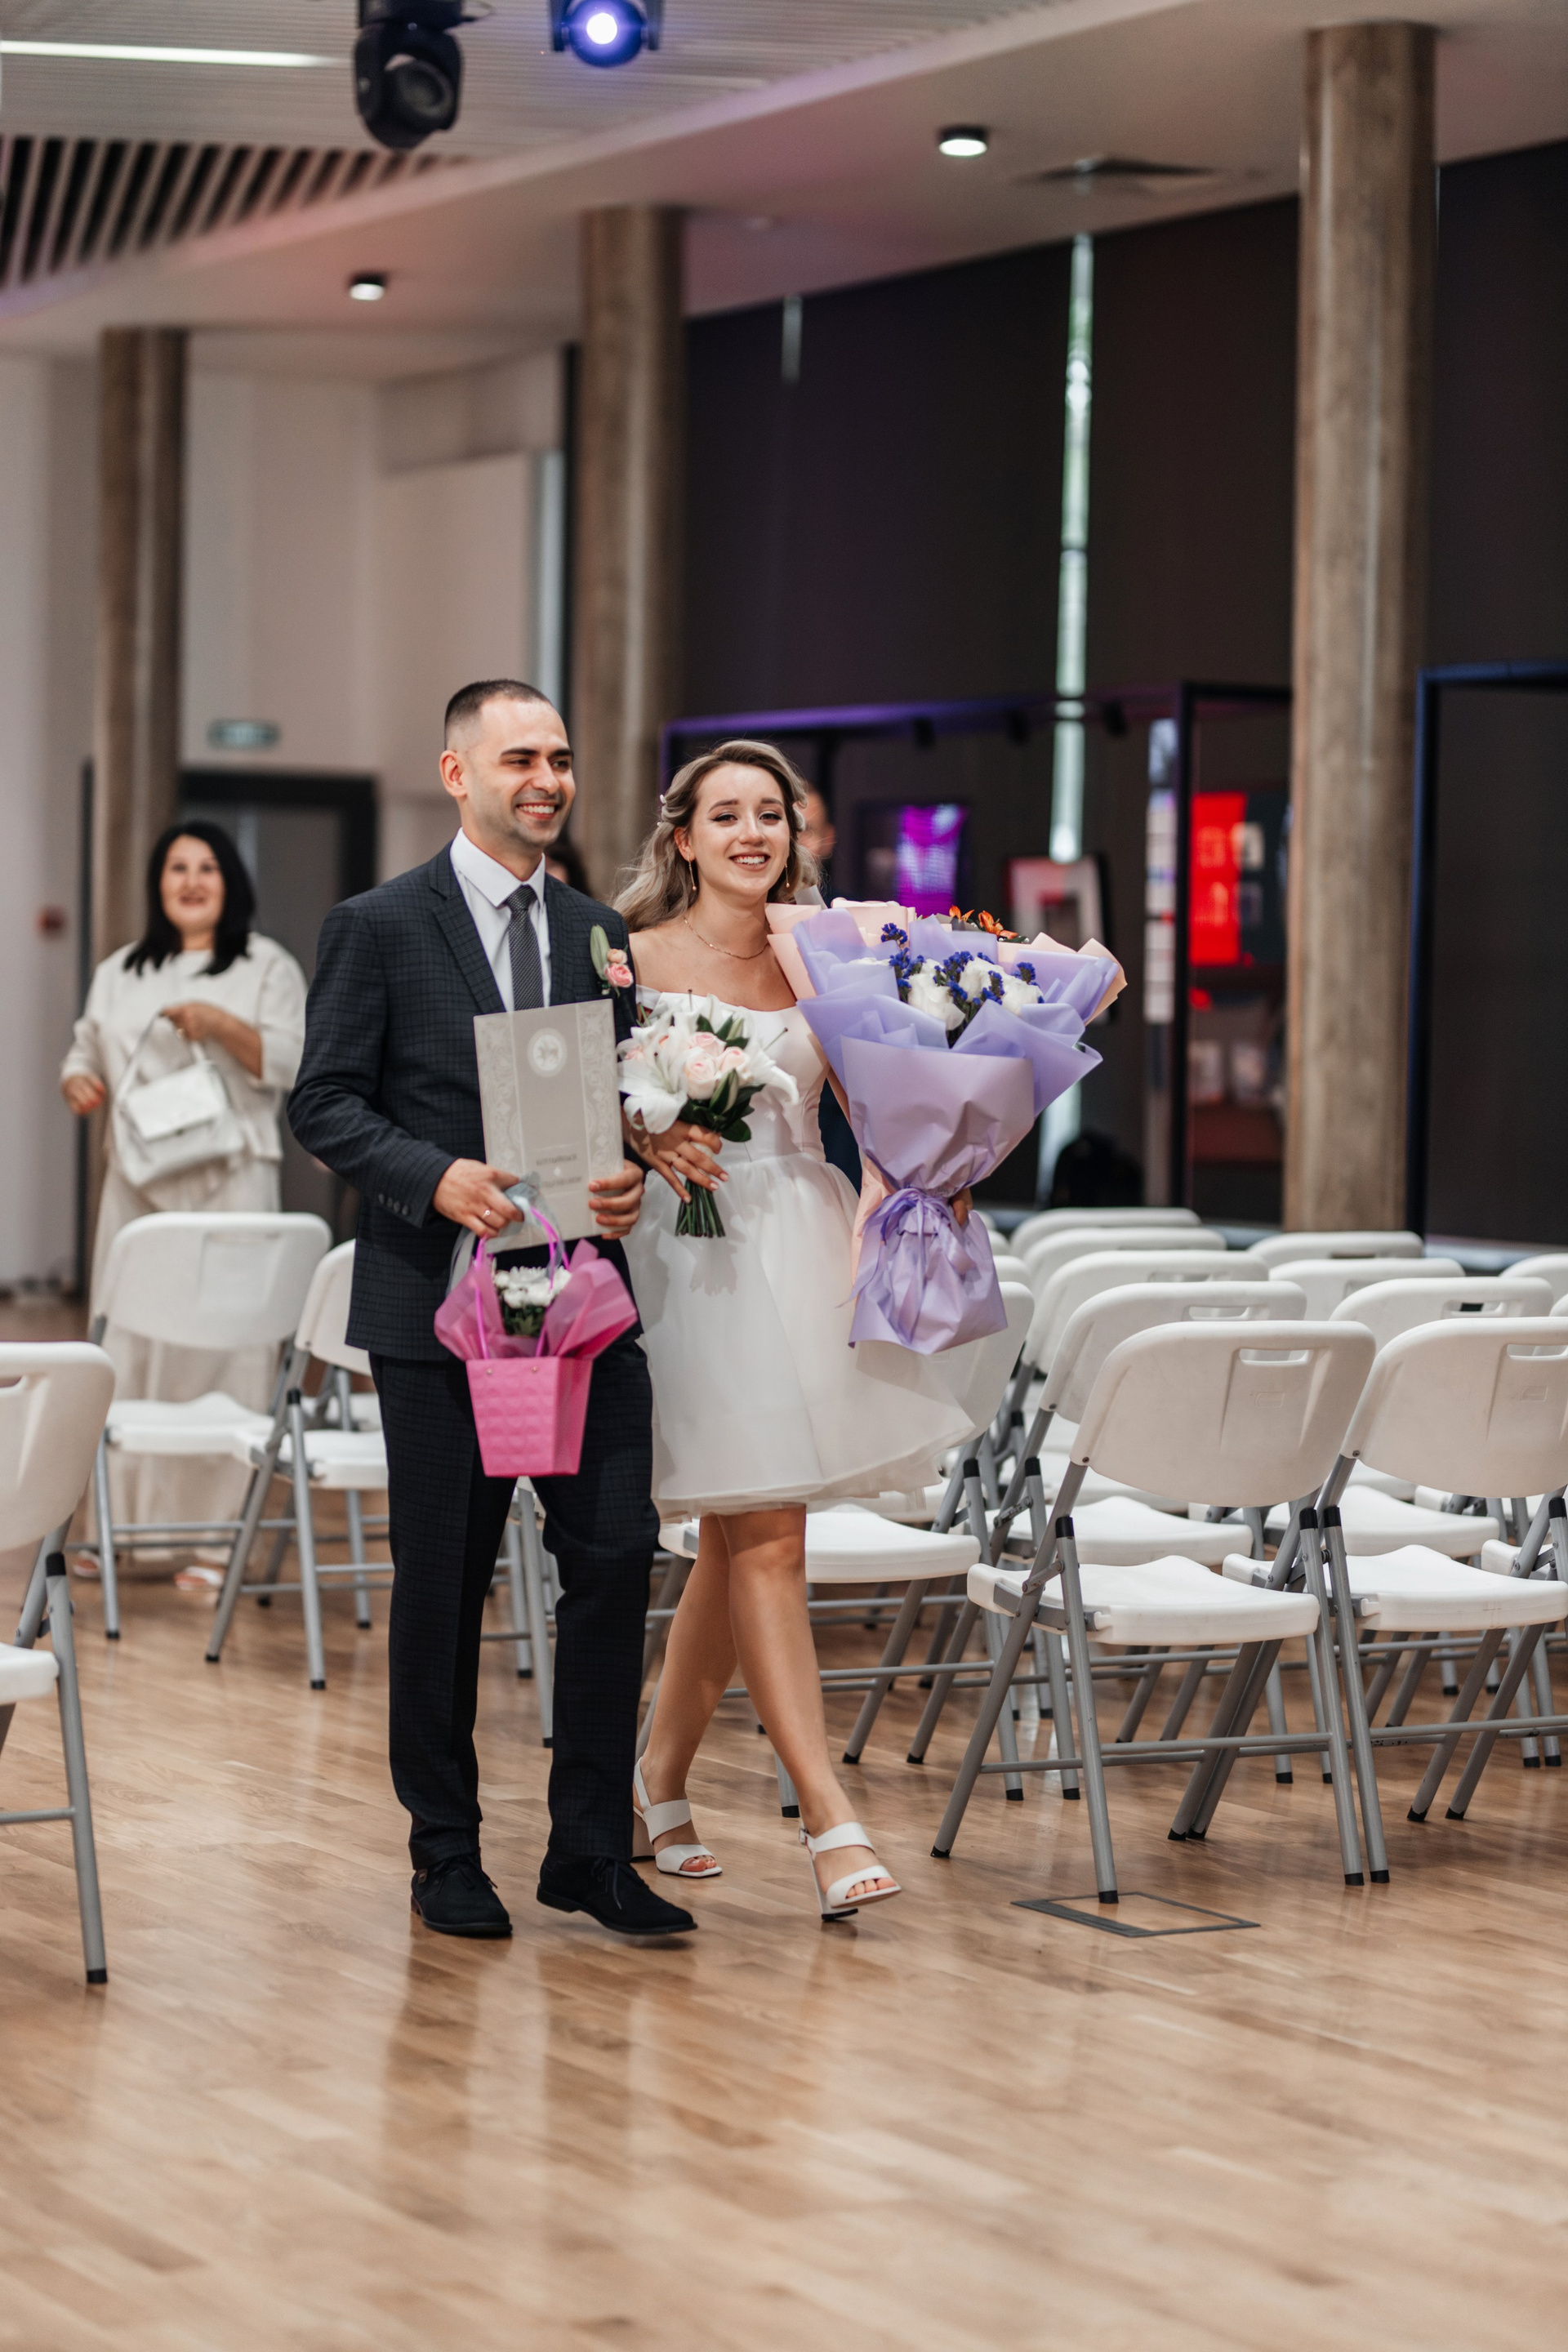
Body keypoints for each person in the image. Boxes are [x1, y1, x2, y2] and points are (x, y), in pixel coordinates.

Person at [287, 679, 694, 1944]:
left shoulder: (596, 931)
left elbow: (617, 1102)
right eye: (521, 757)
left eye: (560, 757)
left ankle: (589, 1851)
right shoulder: (377, 925)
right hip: (439, 1301)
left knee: (617, 1554)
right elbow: (323, 1101)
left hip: (581, 1297)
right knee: (446, 1578)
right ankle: (446, 1852)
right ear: (457, 773)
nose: (548, 778)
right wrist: (434, 1177)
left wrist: (628, 1175)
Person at [618, 739, 973, 1922]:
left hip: (800, 1247)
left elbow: (891, 1108)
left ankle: (657, 1781)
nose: (751, 834)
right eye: (726, 815)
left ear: (797, 833)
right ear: (684, 837)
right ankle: (829, 1815)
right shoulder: (628, 953)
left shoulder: (831, 952)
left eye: (770, 814)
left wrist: (948, 1168)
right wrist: (641, 1138)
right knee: (765, 1532)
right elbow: (582, 1104)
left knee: (745, 1535)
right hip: (685, 1258)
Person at [60, 821, 308, 1579]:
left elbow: (297, 1062)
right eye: (177, 868)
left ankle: (213, 1542)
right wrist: (77, 1077)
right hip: (138, 1187)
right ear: (157, 884)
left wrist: (222, 1025)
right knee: (131, 1350)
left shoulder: (266, 965)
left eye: (207, 868)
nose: (192, 881)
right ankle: (122, 1533)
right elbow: (86, 1044)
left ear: (231, 881)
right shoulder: (120, 969)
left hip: (230, 1182)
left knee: (223, 1355)